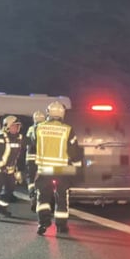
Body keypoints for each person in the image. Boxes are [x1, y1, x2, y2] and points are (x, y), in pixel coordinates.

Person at [34, 101, 81, 235]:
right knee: (61, 197)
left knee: (43, 197)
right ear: (62, 113)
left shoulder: (39, 128)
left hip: (44, 169)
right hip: (62, 170)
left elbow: (32, 146)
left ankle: (43, 223)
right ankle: (61, 226)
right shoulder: (67, 129)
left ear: (48, 112)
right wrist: (77, 168)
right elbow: (74, 151)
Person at [24, 110, 45, 211]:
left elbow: (27, 143)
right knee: (43, 179)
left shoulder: (31, 129)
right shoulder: (47, 129)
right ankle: (43, 198)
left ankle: (33, 196)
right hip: (43, 159)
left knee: (31, 180)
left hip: (31, 158)